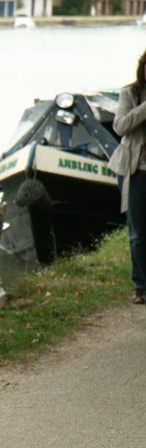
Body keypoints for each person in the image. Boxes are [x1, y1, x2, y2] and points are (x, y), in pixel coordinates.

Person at [110, 49, 146, 305]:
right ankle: (141, 286)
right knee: (138, 232)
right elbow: (120, 126)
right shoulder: (130, 94)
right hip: (136, 170)